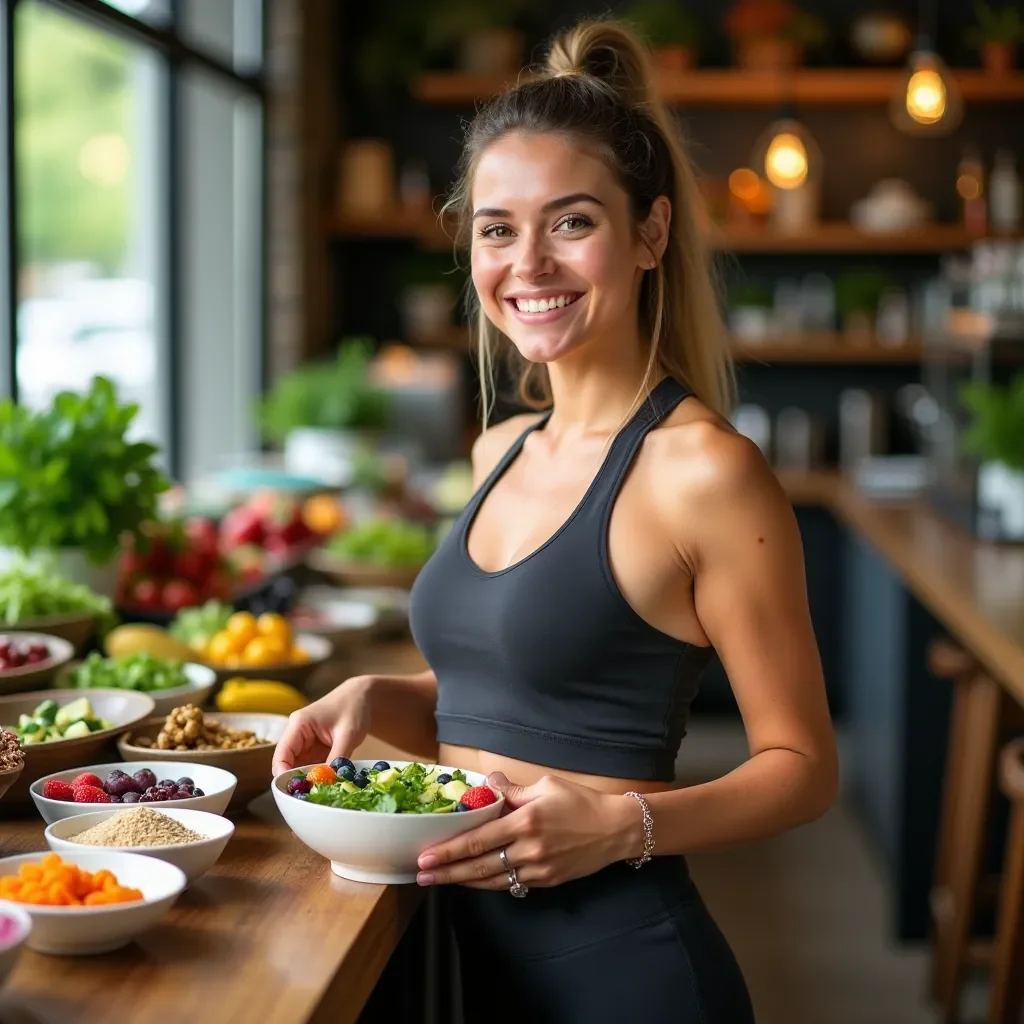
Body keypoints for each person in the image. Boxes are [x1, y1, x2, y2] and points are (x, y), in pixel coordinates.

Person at [274, 17, 837, 1023]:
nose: (526, 262)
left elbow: (799, 769)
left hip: (623, 973)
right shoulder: (498, 450)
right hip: (459, 955)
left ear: (650, 232)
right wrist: (383, 695)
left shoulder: (704, 471)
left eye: (571, 222)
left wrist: (626, 826)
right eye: (497, 227)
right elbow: (528, 690)